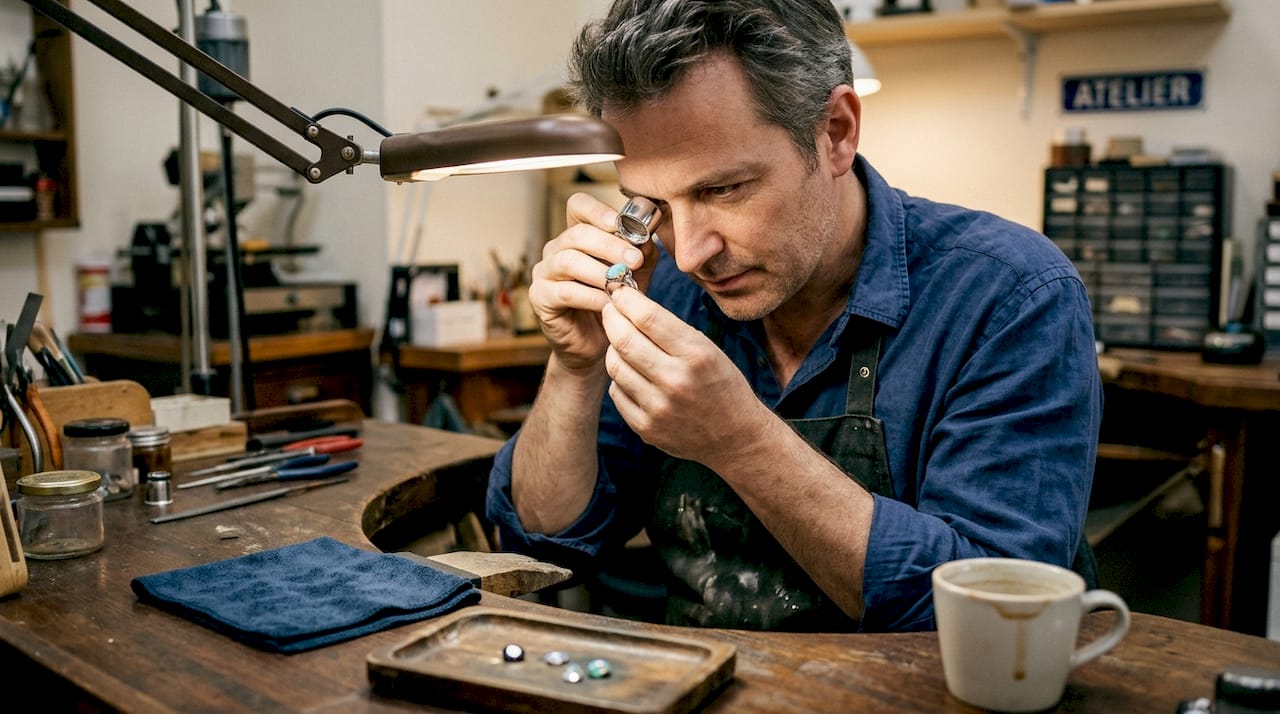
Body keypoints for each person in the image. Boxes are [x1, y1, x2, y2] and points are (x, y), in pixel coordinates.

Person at [485, 0, 1101, 632]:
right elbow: (544, 545)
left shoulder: (1009, 296)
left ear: (835, 131)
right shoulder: (662, 287)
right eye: (652, 204)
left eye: (723, 190)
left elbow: (997, 616)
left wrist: (742, 441)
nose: (692, 252)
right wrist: (575, 365)